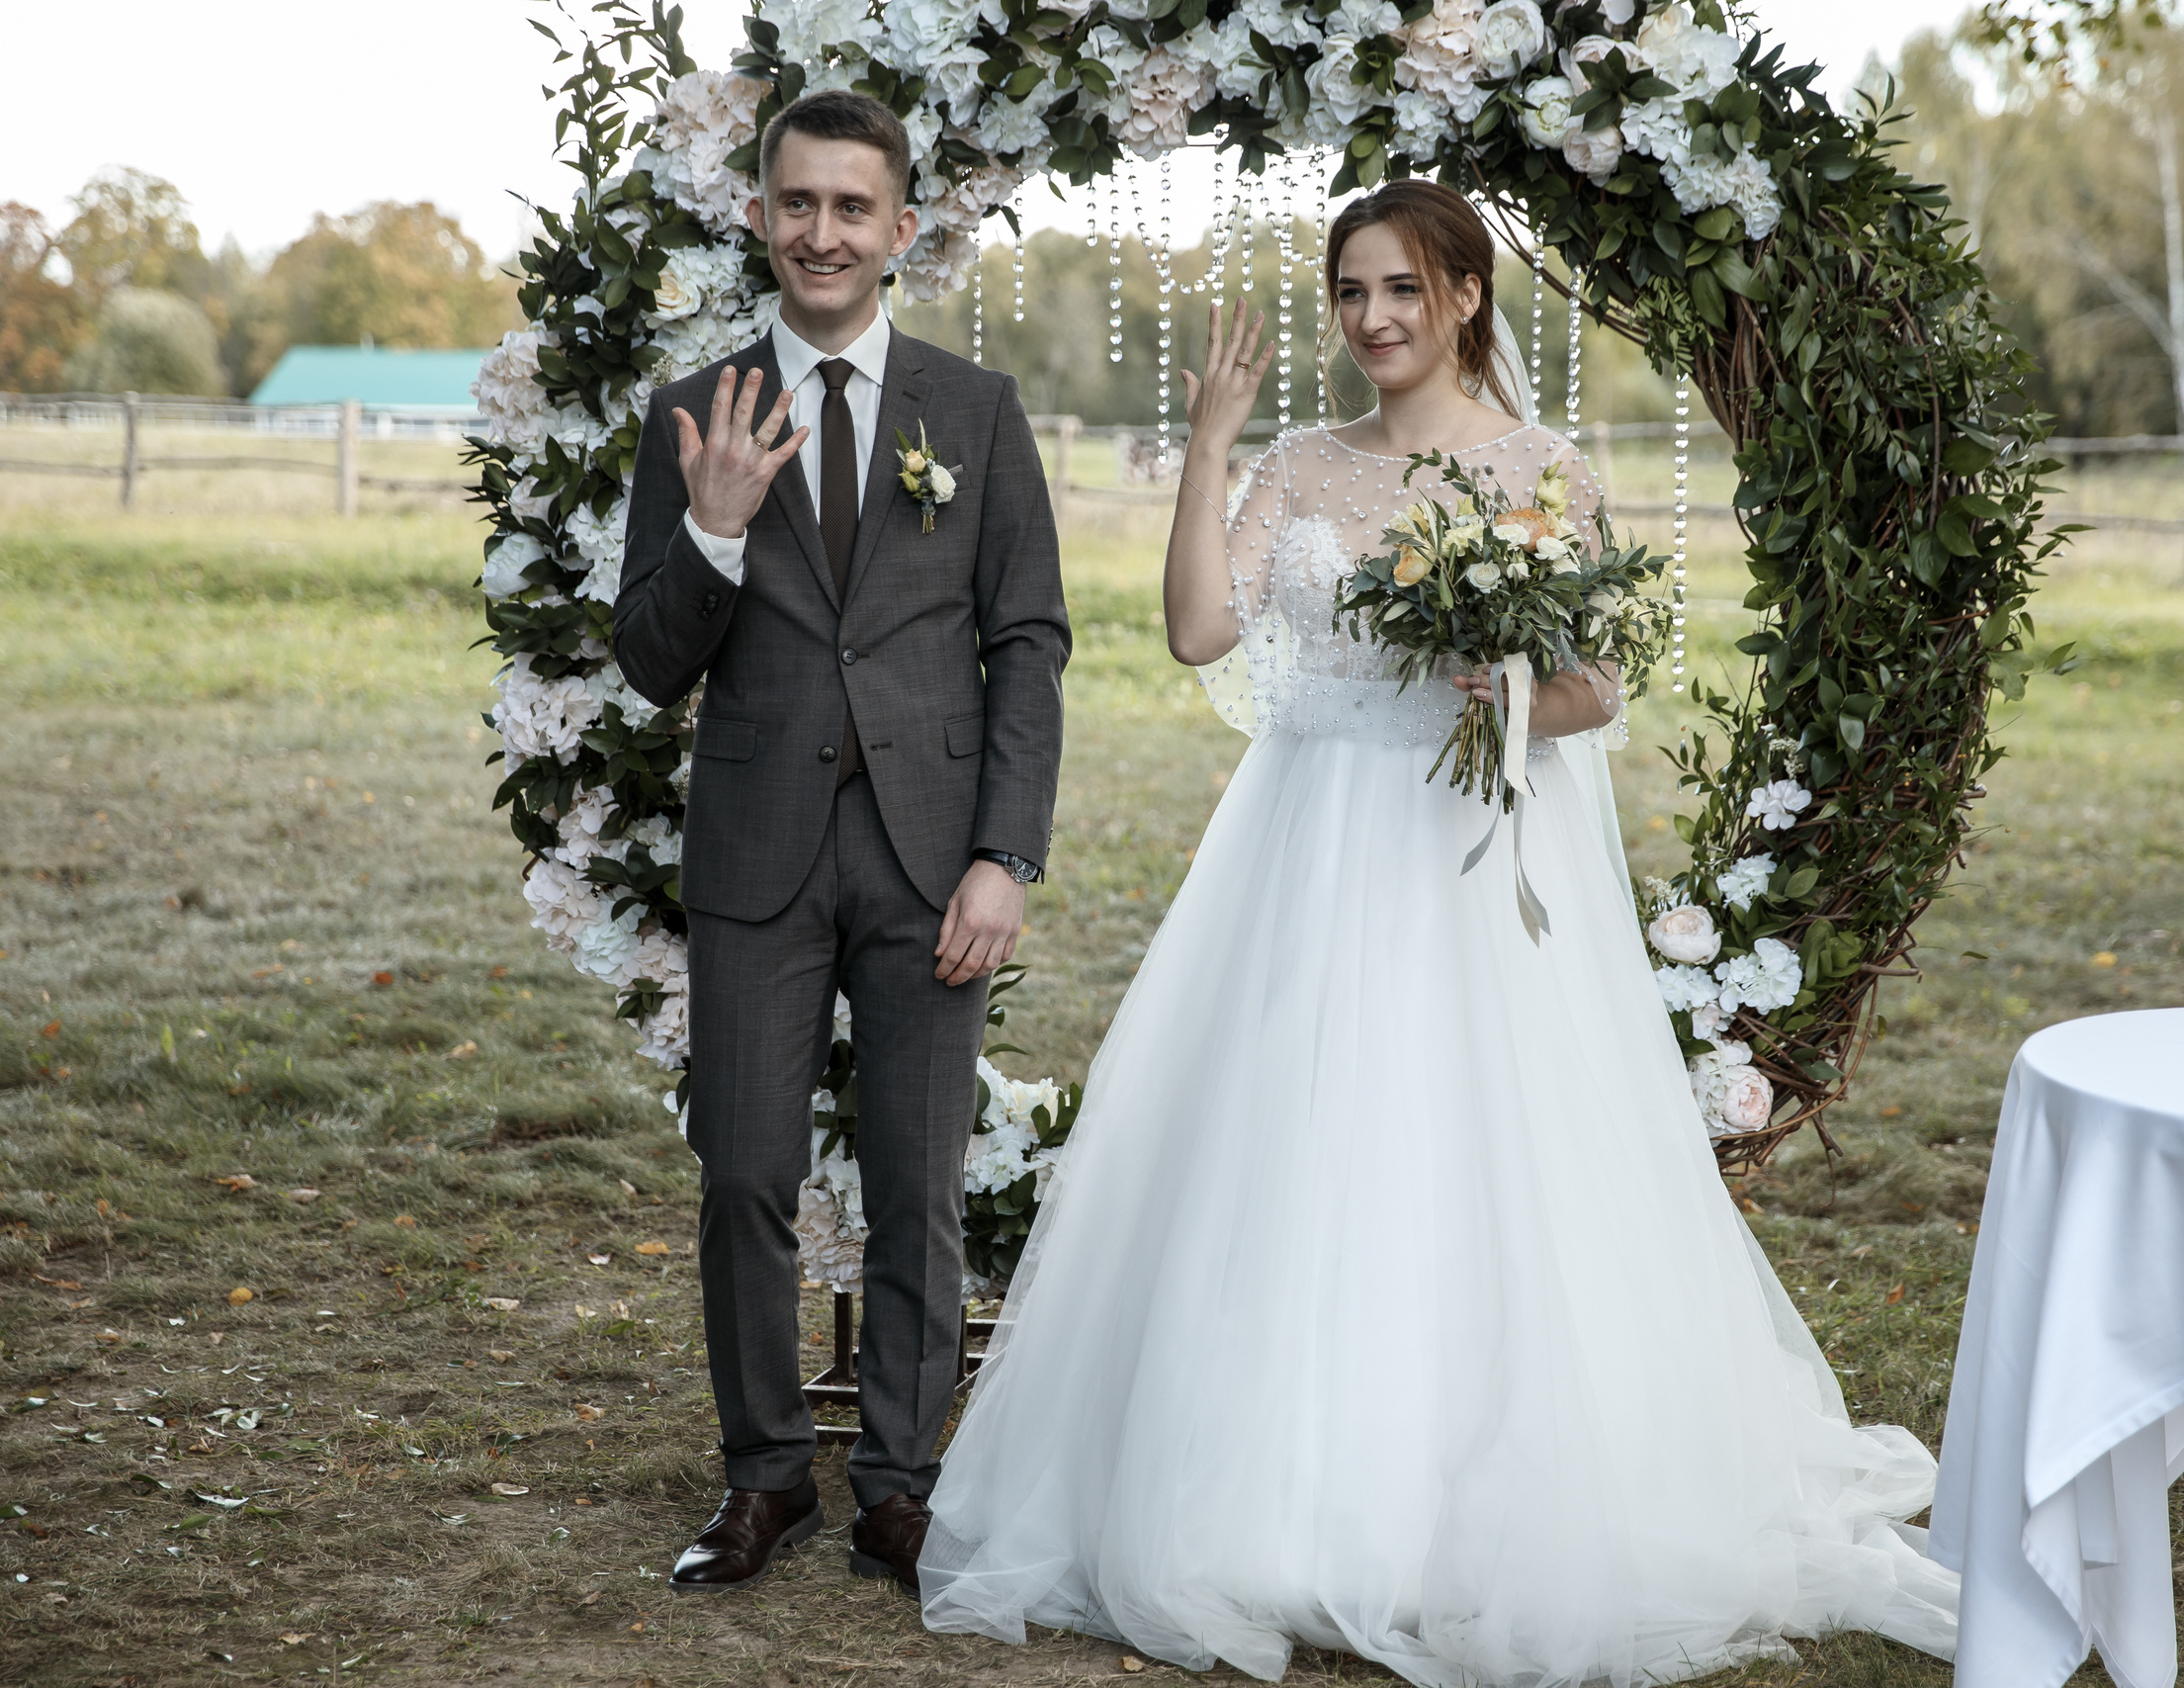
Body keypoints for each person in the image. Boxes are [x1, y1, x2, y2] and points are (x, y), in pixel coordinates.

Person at [915, 179, 1960, 1687]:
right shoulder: (1300, 465)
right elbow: (1202, 632)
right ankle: (1276, 1502)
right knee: (1298, 1155)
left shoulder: (1545, 469)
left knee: (1481, 1159)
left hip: (1474, 863)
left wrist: (1513, 688)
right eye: (1351, 293)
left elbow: (1602, 688)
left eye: (1401, 289)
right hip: (1309, 848)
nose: (1373, 320)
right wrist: (1210, 447)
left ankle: (1483, 1496)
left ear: (1466, 296)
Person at [610, 89, 1070, 1597]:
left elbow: (1029, 646)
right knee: (741, 1173)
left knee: (917, 1186)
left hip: (936, 861)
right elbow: (649, 661)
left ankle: (897, 1481)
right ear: (758, 216)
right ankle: (763, 1481)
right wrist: (718, 531)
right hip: (759, 855)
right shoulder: (697, 408)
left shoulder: (978, 413)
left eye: (852, 208)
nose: (822, 232)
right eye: (796, 203)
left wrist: (1004, 853)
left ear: (901, 230)